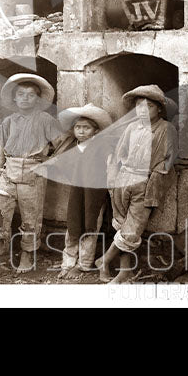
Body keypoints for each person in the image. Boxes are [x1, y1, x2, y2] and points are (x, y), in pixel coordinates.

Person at [97, 85, 178, 284]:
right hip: (124, 180)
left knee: (133, 229)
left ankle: (105, 260)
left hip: (145, 182)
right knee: (123, 225)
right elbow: (120, 153)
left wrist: (154, 178)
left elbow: (169, 159)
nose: (142, 110)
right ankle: (124, 270)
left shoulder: (166, 129)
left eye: (148, 106)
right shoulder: (131, 128)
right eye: (139, 106)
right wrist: (114, 179)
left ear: (159, 109)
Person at [0, 73, 64, 273]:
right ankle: (2, 247)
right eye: (21, 94)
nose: (25, 98)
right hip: (9, 171)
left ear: (38, 99)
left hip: (32, 173)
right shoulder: (9, 121)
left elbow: (61, 145)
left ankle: (28, 254)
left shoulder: (45, 119)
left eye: (31, 95)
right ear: (14, 98)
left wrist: (48, 163)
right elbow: (1, 148)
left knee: (31, 215)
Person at [50, 105, 113, 280]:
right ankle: (68, 262)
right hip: (76, 194)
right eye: (78, 127)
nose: (82, 131)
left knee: (90, 225)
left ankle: (84, 264)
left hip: (95, 196)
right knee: (73, 225)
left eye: (86, 128)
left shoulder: (102, 147)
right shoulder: (71, 147)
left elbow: (109, 169)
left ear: (96, 130)